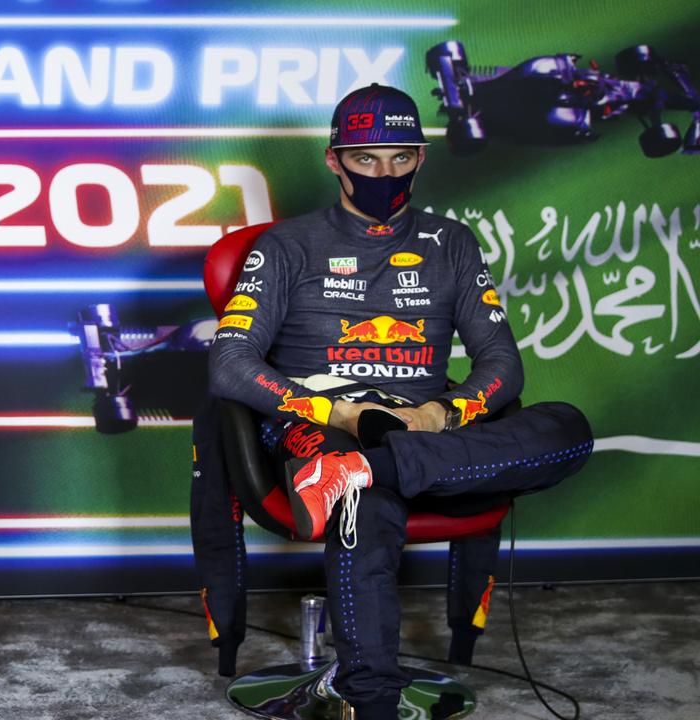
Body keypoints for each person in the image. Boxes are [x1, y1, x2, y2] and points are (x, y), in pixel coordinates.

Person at [205, 85, 593, 719]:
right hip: (326, 426)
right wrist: (342, 416)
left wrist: (443, 413)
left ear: (420, 156)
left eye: (399, 158)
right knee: (366, 505)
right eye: (366, 159)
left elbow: (502, 365)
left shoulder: (453, 243)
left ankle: (368, 470)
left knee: (568, 429)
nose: (384, 174)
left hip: (428, 433)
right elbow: (229, 362)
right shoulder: (284, 247)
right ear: (334, 160)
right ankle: (372, 702)